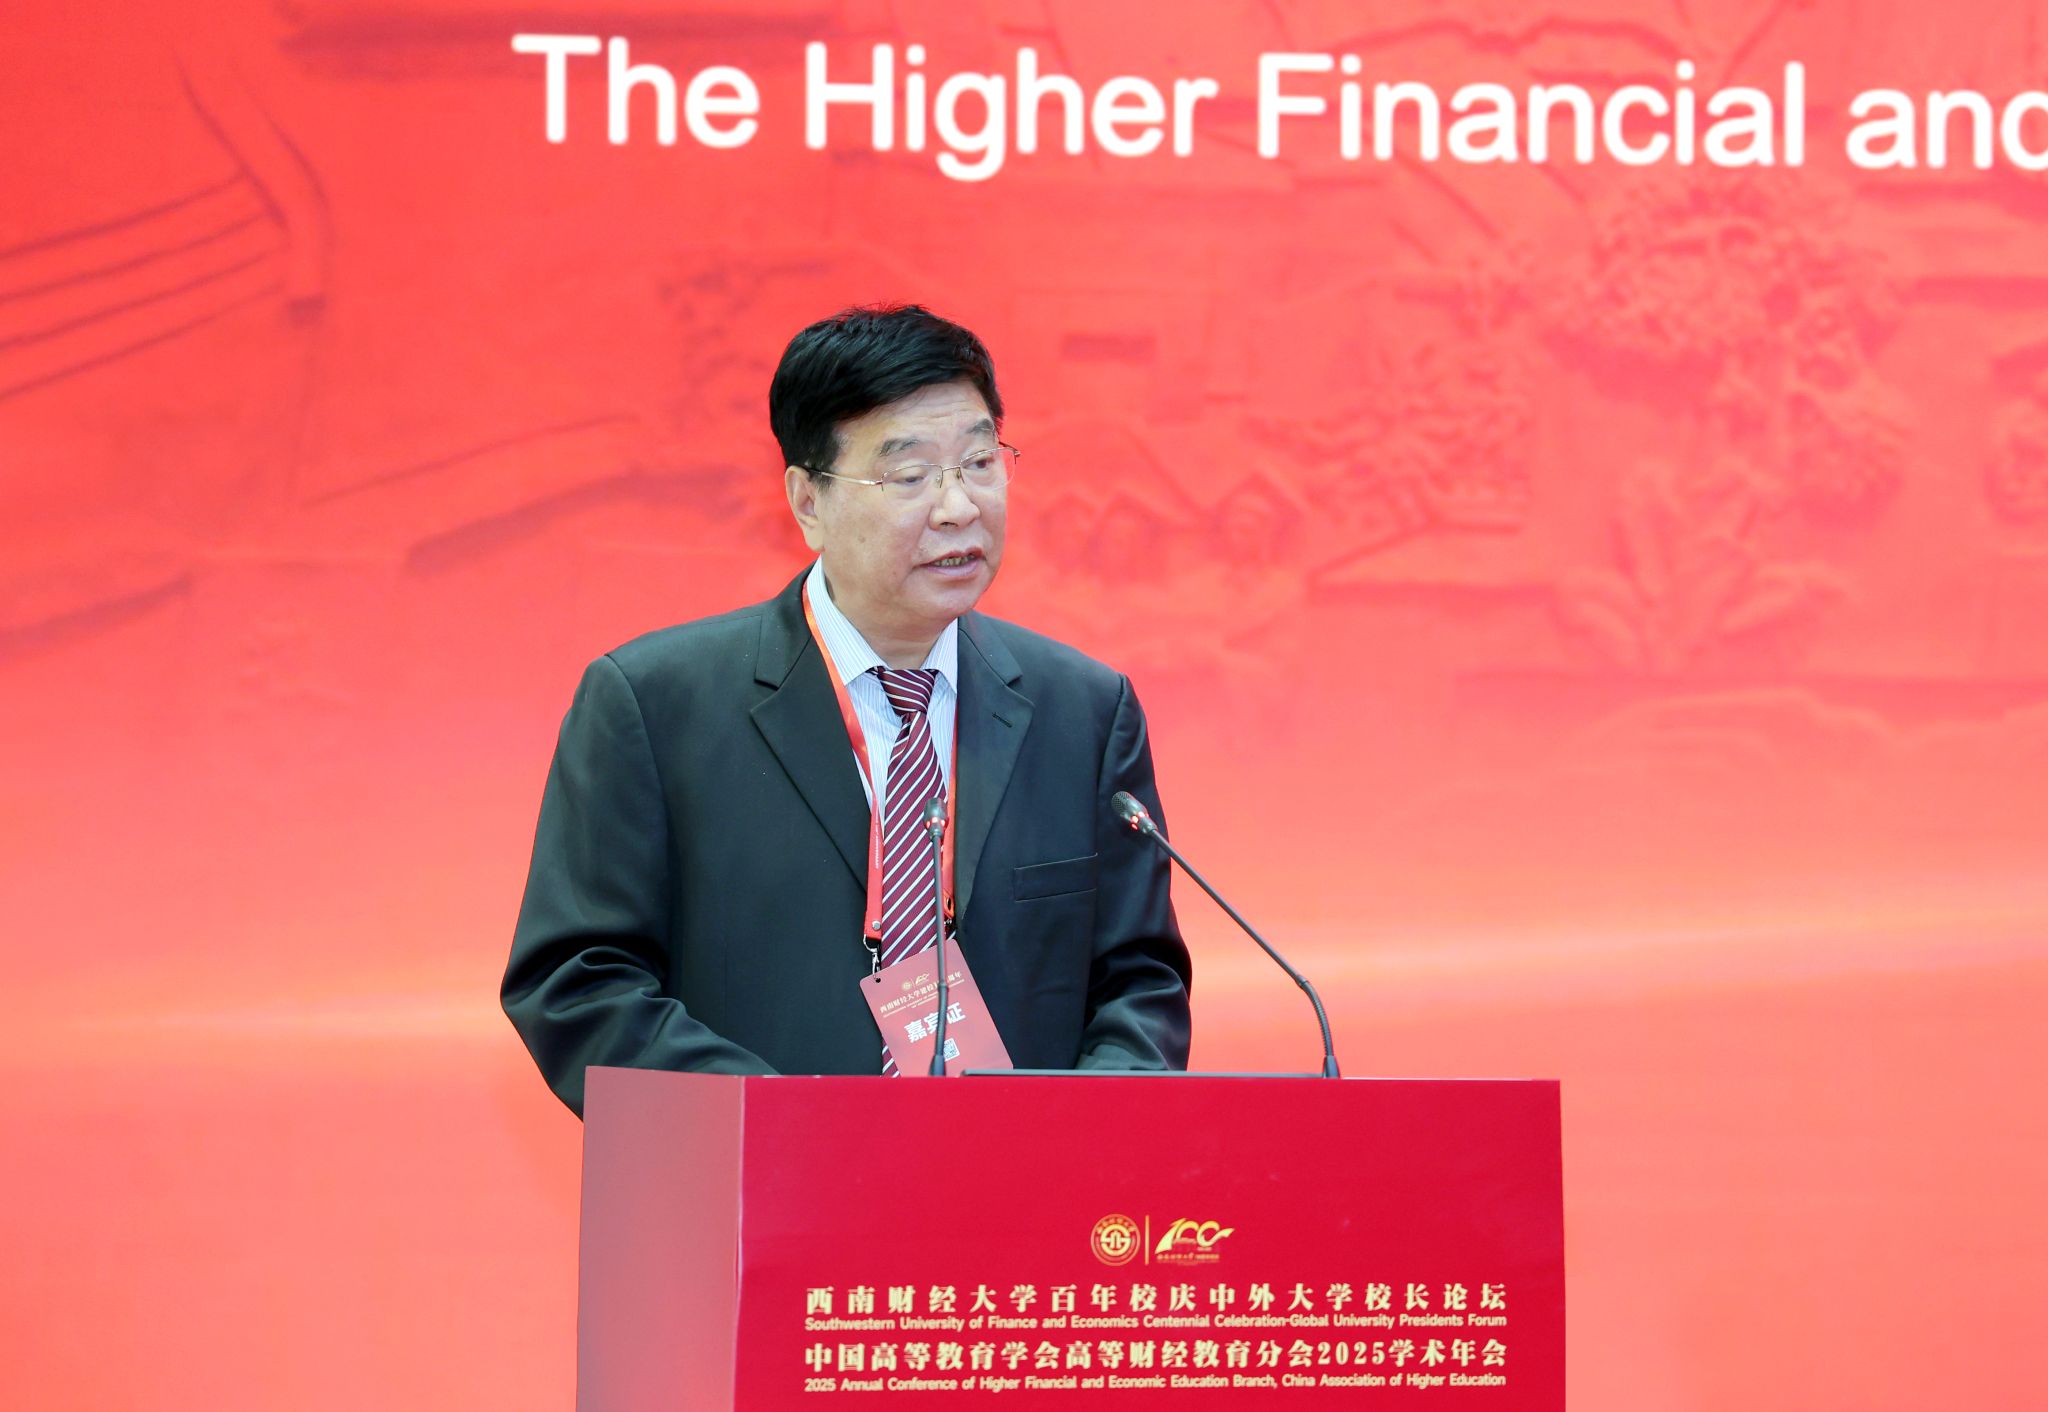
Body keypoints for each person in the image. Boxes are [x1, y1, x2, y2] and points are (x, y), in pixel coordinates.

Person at [502, 304, 1191, 1114]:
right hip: (756, 1180)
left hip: (1014, 1182)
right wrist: (783, 1133)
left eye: (979, 462)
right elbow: (579, 983)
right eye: (909, 476)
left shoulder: (1085, 710)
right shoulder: (652, 707)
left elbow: (1138, 983)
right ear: (807, 501)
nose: (958, 507)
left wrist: (1074, 1135)